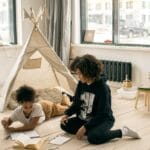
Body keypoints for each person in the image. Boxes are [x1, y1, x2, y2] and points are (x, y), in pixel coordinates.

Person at [60, 54, 140, 144]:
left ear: (87, 72)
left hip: (103, 120)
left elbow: (102, 114)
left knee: (93, 137)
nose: (78, 76)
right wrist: (67, 114)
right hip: (84, 119)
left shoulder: (102, 88)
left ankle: (122, 132)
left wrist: (85, 127)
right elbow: (76, 103)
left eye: (79, 73)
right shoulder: (81, 84)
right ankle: (93, 131)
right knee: (64, 125)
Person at [1, 85, 71, 132]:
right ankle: (62, 99)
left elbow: (31, 126)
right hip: (43, 107)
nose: (28, 109)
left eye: (30, 106)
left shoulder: (37, 107)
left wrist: (15, 129)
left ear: (33, 103)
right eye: (25, 107)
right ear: (21, 104)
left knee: (67, 109)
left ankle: (65, 95)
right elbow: (9, 121)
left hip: (47, 108)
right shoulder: (17, 112)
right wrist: (5, 123)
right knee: (61, 106)